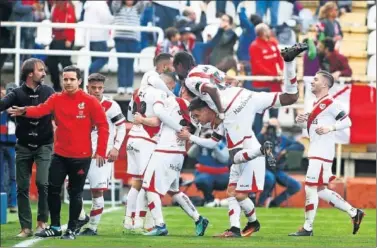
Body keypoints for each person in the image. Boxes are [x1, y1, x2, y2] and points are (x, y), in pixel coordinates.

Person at [177, 43, 307, 237]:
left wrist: (221, 112)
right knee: (290, 97)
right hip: (244, 95)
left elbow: (211, 91)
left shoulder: (190, 79)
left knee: (235, 157)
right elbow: (226, 80)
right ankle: (289, 62)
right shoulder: (206, 68)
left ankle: (262, 150)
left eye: (197, 115)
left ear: (180, 66)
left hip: (231, 108)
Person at [9, 66, 109, 240]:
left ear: (79, 81)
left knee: (75, 193)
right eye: (65, 79)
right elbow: (41, 110)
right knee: (53, 190)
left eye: (72, 79)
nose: (68, 82)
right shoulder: (56, 98)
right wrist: (24, 110)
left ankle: (71, 229)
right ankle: (55, 226)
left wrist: (101, 151)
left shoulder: (90, 101)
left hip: (81, 156)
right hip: (60, 154)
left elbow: (103, 126)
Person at [289, 70, 364, 236]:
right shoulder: (316, 104)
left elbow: (348, 121)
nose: (312, 81)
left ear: (324, 84)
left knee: (310, 188)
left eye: (315, 79)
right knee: (320, 190)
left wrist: (331, 128)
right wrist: (301, 122)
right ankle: (354, 212)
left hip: (322, 152)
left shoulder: (331, 103)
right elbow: (313, 128)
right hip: (317, 150)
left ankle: (307, 228)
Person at [134, 80, 209, 236]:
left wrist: (144, 117)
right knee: (173, 191)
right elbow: (193, 134)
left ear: (182, 89)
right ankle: (198, 218)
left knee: (150, 188)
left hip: (165, 151)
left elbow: (159, 113)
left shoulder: (174, 101)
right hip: (179, 154)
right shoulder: (196, 112)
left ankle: (160, 225)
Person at [0, 58, 54, 238]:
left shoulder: (49, 92)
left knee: (42, 182)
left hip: (44, 145)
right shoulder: (16, 93)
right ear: (30, 73)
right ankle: (25, 227)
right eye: (40, 70)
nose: (44, 73)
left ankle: (41, 222)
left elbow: (60, 110)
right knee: (22, 187)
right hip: (23, 146)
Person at [123, 53, 175, 231]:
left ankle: (129, 220)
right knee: (148, 184)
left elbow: (129, 116)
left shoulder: (138, 91)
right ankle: (142, 221)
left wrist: (140, 119)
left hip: (133, 139)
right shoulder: (160, 92)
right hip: (146, 139)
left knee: (137, 182)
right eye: (172, 86)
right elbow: (157, 120)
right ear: (165, 69)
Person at [76, 73, 126, 236]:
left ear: (103, 88)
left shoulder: (111, 106)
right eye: (93, 88)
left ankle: (93, 227)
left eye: (100, 88)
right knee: (73, 189)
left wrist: (116, 148)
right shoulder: (78, 104)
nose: (97, 91)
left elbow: (122, 127)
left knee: (97, 191)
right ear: (87, 88)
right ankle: (82, 217)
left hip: (101, 156)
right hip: (79, 154)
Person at [256, 118, 303, 207]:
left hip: (277, 170)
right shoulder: (262, 137)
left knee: (296, 186)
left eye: (274, 126)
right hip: (264, 169)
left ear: (278, 127)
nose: (271, 128)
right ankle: (260, 203)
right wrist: (262, 132)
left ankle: (274, 203)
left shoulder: (282, 139)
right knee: (270, 178)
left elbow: (299, 146)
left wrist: (286, 150)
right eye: (270, 125)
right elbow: (253, 146)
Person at [249, 23, 284, 134]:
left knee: (274, 112)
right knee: (260, 112)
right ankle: (258, 136)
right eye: (268, 29)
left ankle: (274, 135)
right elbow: (258, 64)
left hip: (275, 84)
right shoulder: (254, 46)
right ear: (263, 32)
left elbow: (279, 58)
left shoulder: (273, 42)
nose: (270, 31)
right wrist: (271, 75)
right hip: (262, 84)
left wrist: (280, 71)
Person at [112, 0, 146, 96]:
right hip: (120, 38)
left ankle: (129, 86)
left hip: (133, 39)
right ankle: (121, 86)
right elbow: (114, 4)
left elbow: (143, 3)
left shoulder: (137, 8)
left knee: (130, 63)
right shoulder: (118, 7)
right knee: (121, 63)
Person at [188, 131, 230, 207]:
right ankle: (209, 200)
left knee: (235, 179)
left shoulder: (221, 142)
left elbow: (224, 159)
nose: (209, 138)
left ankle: (230, 201)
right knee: (202, 180)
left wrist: (214, 145)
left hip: (221, 175)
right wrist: (200, 141)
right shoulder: (200, 143)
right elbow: (190, 154)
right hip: (204, 174)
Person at [45, 1, 76, 92]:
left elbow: (71, 22)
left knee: (65, 63)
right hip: (56, 39)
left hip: (65, 39)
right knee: (51, 62)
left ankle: (74, 85)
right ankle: (56, 85)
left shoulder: (68, 6)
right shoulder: (55, 6)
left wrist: (69, 38)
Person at [83, 1, 114, 74]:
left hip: (89, 36)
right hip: (99, 36)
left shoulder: (89, 3)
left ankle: (88, 80)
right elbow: (106, 18)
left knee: (95, 60)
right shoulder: (100, 3)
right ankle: (86, 75)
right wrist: (115, 19)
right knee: (103, 59)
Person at [0, 82, 17, 214]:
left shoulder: (17, 108)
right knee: (2, 175)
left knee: (13, 176)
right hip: (2, 143)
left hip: (12, 144)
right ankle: (3, 202)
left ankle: (12, 203)